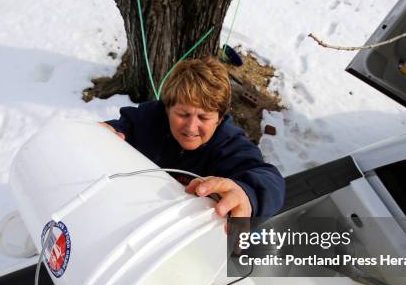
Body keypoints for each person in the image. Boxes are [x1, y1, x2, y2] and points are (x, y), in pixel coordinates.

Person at [103, 56, 285, 218]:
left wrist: (247, 192)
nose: (191, 127)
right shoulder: (149, 119)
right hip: (133, 212)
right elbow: (124, 126)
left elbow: (269, 180)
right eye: (182, 114)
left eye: (204, 117)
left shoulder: (230, 145)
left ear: (219, 119)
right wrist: (107, 132)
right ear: (167, 109)